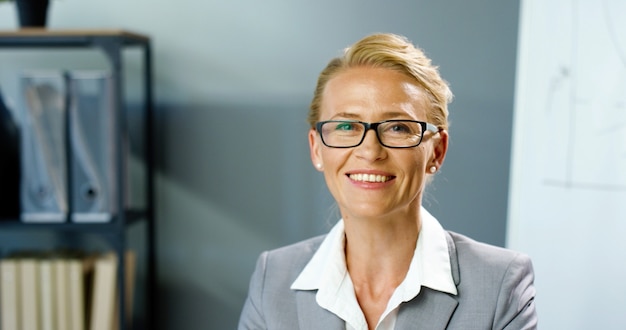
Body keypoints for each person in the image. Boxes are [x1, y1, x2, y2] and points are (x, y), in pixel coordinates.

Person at [238, 33, 537, 330]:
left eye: (397, 127)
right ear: (317, 149)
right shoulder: (272, 279)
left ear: (437, 151)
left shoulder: (500, 284)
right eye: (346, 126)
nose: (369, 151)